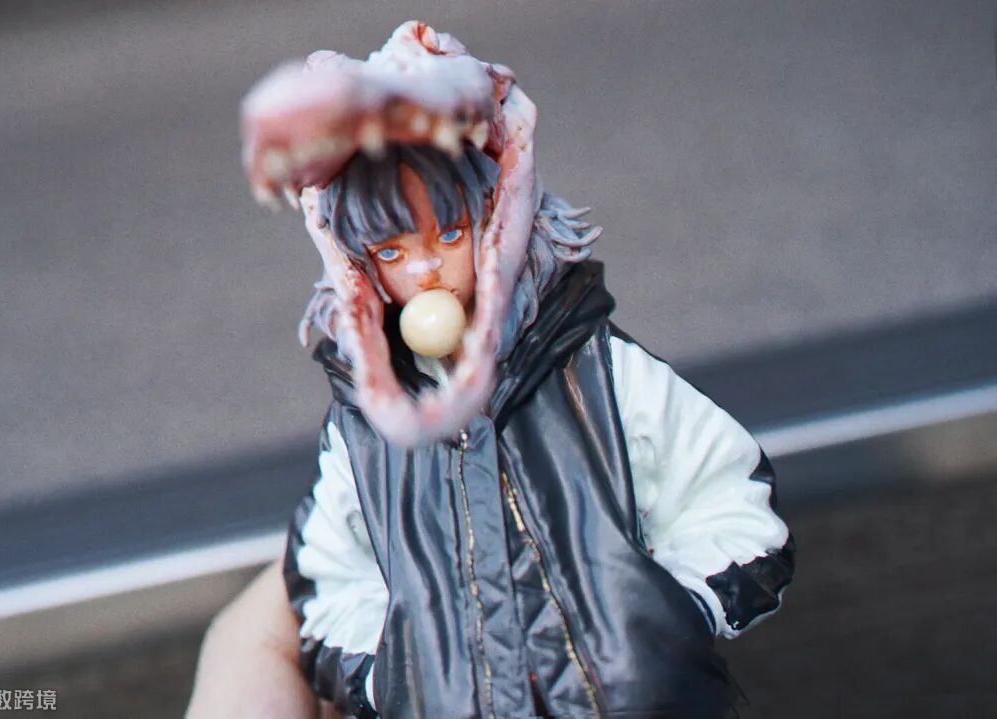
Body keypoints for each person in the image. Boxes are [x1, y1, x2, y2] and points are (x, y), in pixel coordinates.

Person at [277, 144, 794, 718]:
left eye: (449, 235)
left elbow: (731, 501)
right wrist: (393, 677)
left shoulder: (596, 368)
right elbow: (327, 585)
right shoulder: (364, 428)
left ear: (496, 220)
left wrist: (672, 617)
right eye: (392, 251)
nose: (425, 271)